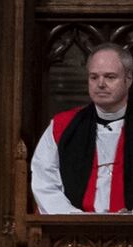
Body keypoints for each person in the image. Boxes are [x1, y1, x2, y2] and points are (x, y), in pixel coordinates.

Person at [31, 42, 133, 213]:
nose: (101, 84)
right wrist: (75, 218)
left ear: (128, 80)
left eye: (110, 77)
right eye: (94, 77)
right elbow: (44, 180)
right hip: (74, 232)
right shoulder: (62, 125)